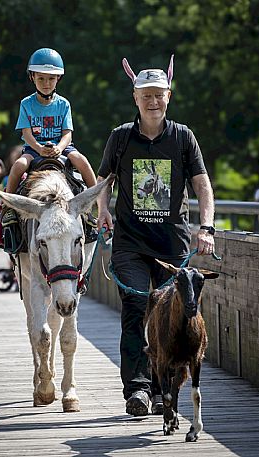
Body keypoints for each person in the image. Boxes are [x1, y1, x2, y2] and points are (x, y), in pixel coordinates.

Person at [96, 56, 215, 417]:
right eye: (145, 95)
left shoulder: (183, 137)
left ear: (169, 96)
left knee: (175, 316)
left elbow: (202, 185)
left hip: (171, 245)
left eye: (158, 95)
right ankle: (138, 390)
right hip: (130, 243)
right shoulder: (120, 138)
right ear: (135, 98)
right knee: (135, 307)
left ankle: (167, 389)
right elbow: (104, 182)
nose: (152, 101)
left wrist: (206, 226)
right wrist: (102, 210)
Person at [6, 47, 96, 194]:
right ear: (32, 77)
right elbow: (27, 134)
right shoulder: (26, 104)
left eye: (51, 78)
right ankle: (7, 206)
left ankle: (96, 201)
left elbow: (67, 134)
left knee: (82, 161)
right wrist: (39, 148)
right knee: (18, 165)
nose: (46, 83)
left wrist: (59, 148)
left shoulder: (64, 104)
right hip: (34, 149)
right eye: (41, 78)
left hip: (61, 147)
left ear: (58, 79)